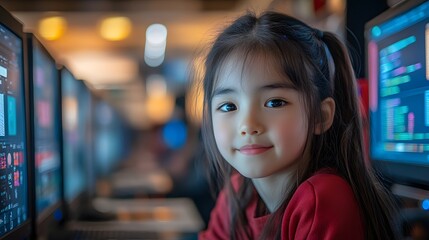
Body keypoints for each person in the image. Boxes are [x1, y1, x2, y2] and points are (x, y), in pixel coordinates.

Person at [196, 11, 400, 240]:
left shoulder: (322, 200)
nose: (248, 125)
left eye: (274, 102)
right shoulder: (238, 194)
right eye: (228, 106)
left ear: (320, 117)